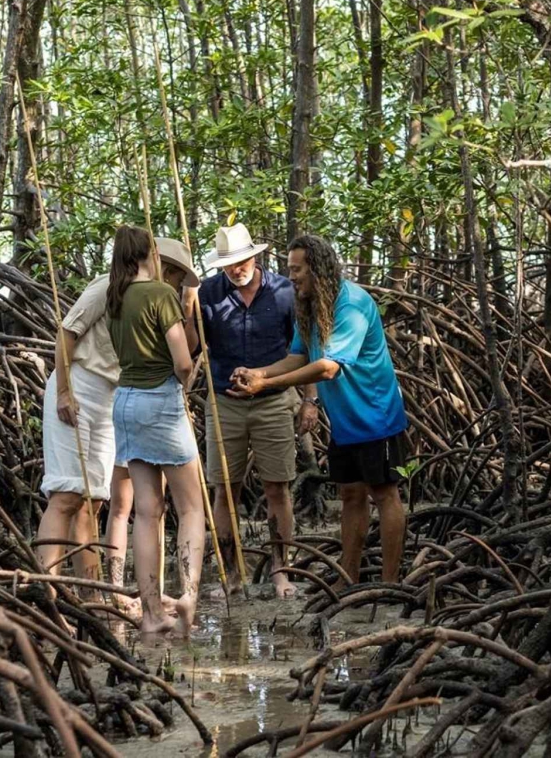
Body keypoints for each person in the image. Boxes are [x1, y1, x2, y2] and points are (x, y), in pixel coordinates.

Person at [228, 234, 409, 590]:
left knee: (384, 494)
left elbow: (327, 368)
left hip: (376, 417)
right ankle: (347, 579)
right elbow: (299, 356)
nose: (291, 277)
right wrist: (258, 373)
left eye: (297, 270)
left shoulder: (351, 305)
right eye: (290, 269)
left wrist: (265, 386)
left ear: (318, 269)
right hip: (345, 423)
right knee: (351, 495)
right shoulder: (310, 306)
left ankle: (389, 584)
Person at [37, 234, 199, 616]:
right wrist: (64, 392)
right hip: (78, 385)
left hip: (113, 396)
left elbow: (184, 349)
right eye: (174, 277)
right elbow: (67, 333)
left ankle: (92, 598)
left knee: (92, 501)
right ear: (159, 263)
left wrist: (188, 304)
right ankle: (47, 600)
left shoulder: (153, 297)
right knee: (65, 496)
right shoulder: (108, 287)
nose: (174, 285)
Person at [197, 224, 318, 598]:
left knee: (278, 487)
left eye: (242, 261)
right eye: (228, 264)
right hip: (224, 404)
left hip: (274, 401)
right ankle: (232, 577)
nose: (236, 269)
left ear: (255, 256)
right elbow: (191, 347)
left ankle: (281, 572)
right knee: (224, 491)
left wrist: (309, 400)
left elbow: (305, 348)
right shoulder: (207, 293)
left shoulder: (283, 291)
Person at [107, 226, 206, 637]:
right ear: (148, 255)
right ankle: (188, 598)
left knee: (147, 512)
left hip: (125, 402)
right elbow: (182, 361)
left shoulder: (115, 297)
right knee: (191, 507)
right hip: (159, 400)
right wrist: (187, 382)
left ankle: (151, 615)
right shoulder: (160, 294)